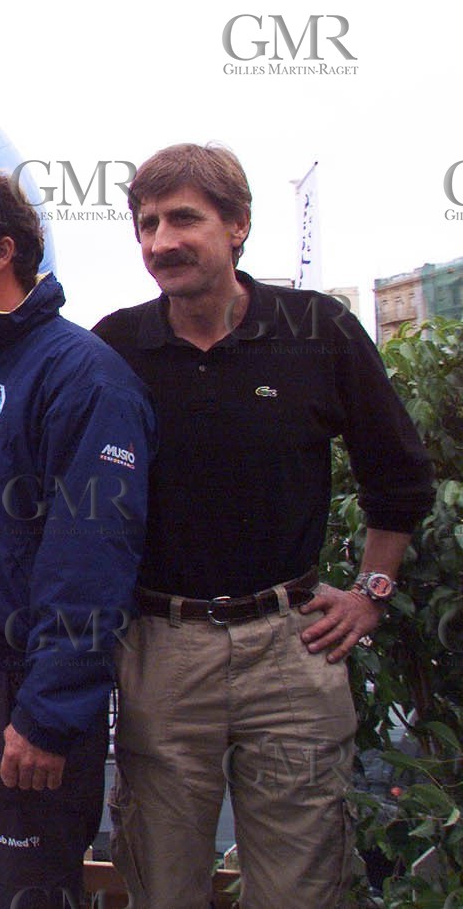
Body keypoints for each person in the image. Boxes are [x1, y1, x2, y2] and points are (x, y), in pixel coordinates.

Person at [93, 143, 435, 906]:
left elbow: (400, 476)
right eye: (146, 224)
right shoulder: (116, 345)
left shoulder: (318, 329)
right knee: (161, 881)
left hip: (291, 645)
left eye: (184, 218)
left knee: (298, 887)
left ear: (238, 224)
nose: (160, 241)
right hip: (160, 645)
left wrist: (371, 591)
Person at [0, 167, 155, 907]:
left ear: (2, 252)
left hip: (22, 696)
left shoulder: (82, 377)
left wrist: (48, 714)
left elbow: (94, 555)